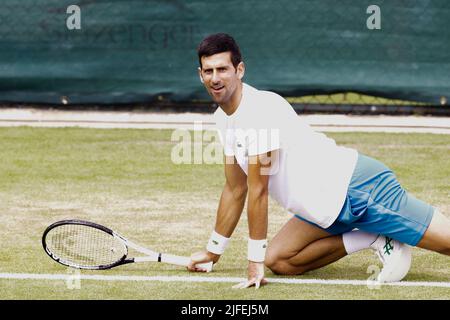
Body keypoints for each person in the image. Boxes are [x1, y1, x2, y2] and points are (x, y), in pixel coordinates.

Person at [187, 33, 450, 289]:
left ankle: (390, 228)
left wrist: (254, 261)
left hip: (357, 189)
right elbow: (235, 189)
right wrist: (213, 251)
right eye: (208, 71)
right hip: (324, 212)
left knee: (447, 242)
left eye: (222, 69)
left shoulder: (259, 111)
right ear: (200, 74)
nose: (215, 78)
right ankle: (375, 238)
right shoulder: (223, 119)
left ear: (239, 70)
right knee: (279, 259)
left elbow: (258, 190)